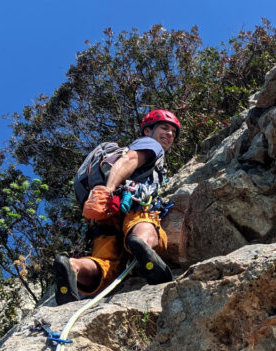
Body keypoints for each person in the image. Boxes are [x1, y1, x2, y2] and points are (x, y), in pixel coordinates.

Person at [52, 109, 180, 304]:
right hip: (129, 201)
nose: (169, 134)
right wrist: (108, 190)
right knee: (145, 220)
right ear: (148, 131)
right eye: (164, 128)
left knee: (107, 264)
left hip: (103, 216)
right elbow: (129, 160)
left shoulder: (149, 147)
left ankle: (73, 267)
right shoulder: (150, 144)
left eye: (173, 132)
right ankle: (141, 243)